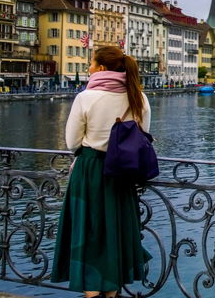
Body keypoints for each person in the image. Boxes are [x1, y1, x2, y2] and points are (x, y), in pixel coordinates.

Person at [52, 46, 152, 297]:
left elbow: (72, 142)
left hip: (91, 171)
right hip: (122, 173)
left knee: (89, 233)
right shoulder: (138, 97)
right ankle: (111, 291)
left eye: (91, 64)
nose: (88, 68)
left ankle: (92, 291)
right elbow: (143, 138)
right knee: (113, 232)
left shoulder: (86, 97)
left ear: (102, 68)